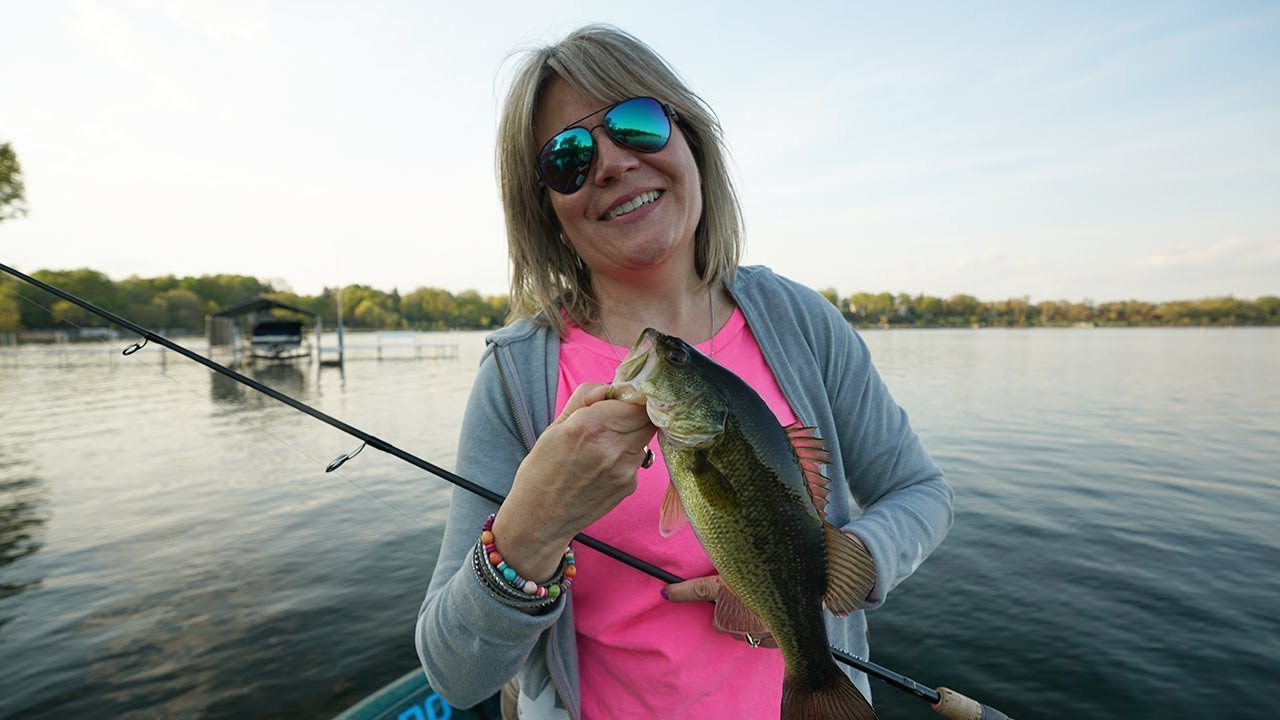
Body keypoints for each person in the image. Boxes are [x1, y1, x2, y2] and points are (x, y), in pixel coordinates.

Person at [415, 24, 953, 720]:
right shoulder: (516, 377)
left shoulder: (801, 321)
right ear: (545, 209)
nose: (611, 163)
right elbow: (455, 677)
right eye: (569, 157)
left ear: (689, 139)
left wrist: (846, 565)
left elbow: (920, 492)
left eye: (635, 123)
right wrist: (529, 529)